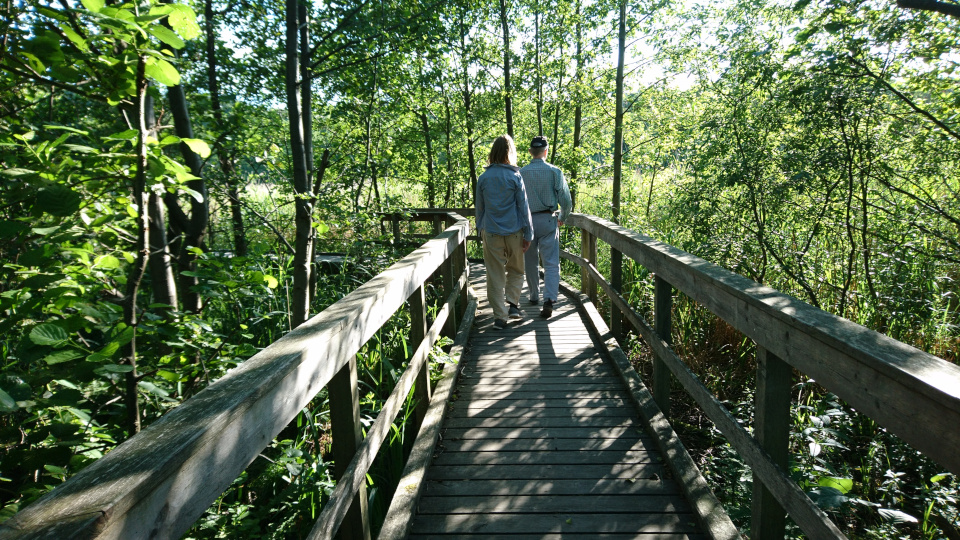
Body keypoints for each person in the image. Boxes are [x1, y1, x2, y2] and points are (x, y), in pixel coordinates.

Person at [475, 135, 534, 329]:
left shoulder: (483, 178)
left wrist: (479, 230)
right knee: (516, 270)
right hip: (515, 232)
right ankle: (513, 305)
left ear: (493, 152)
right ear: (510, 152)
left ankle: (500, 317)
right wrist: (528, 234)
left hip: (491, 232)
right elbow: (523, 208)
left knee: (494, 275)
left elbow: (480, 209)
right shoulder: (515, 176)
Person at [519, 135, 573, 319]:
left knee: (530, 261)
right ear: (546, 151)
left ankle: (534, 295)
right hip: (549, 220)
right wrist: (563, 217)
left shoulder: (521, 173)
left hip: (527, 221)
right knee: (550, 263)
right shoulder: (555, 172)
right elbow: (566, 201)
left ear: (530, 152)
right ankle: (549, 299)